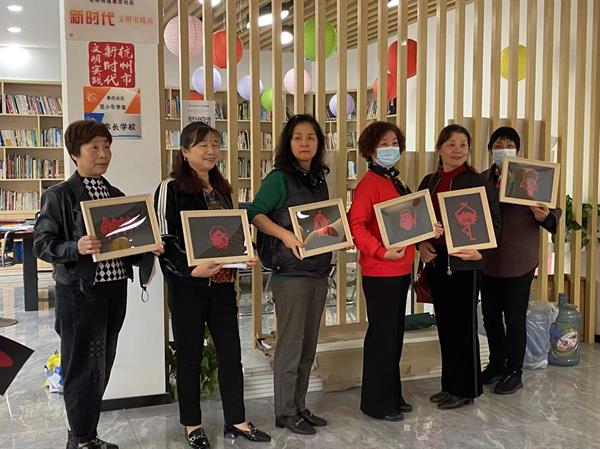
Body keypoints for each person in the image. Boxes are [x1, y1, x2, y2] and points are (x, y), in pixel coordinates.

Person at [33, 120, 161, 449]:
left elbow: (126, 246)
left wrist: (148, 245)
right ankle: (82, 439)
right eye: (94, 148)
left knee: (102, 365)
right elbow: (42, 244)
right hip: (80, 294)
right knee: (81, 367)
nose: (103, 154)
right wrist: (75, 247)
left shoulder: (116, 195)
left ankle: (83, 434)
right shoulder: (59, 195)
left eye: (107, 147)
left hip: (113, 291)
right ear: (75, 153)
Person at [154, 122, 270, 449]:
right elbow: (163, 241)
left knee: (231, 354)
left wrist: (247, 251)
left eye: (215, 144)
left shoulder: (221, 189)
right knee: (189, 356)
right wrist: (190, 270)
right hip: (188, 287)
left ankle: (237, 420)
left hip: (222, 285)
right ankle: (192, 424)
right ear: (185, 151)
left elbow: (231, 234)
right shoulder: (170, 188)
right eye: (202, 144)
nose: (210, 151)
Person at [348, 121, 443, 421]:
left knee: (394, 336)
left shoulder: (394, 181)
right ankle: (376, 403)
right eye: (383, 144)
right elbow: (355, 226)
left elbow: (408, 224)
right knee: (382, 337)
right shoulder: (368, 185)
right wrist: (380, 250)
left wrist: (428, 229)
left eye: (394, 143)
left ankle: (392, 394)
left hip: (401, 269)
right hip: (380, 271)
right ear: (370, 150)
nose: (391, 149)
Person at [248, 114, 330, 435]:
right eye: (298, 137)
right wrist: (284, 234)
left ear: (319, 143)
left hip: (318, 270)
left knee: (308, 347)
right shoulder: (279, 178)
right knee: (290, 347)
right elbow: (255, 213)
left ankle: (299, 406)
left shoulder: (318, 178)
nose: (305, 143)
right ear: (288, 143)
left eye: (311, 137)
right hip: (291, 274)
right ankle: (284, 412)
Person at [417, 124, 501, 410]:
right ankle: (449, 385)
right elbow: (417, 221)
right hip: (437, 261)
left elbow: (495, 223)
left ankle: (466, 389)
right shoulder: (429, 181)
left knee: (463, 327)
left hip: (465, 262)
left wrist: (481, 251)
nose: (457, 150)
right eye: (451, 144)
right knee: (446, 326)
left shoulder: (476, 181)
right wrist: (421, 245)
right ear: (439, 148)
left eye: (463, 145)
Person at [481, 126, 561, 394]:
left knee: (515, 319)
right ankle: (496, 364)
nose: (503, 149)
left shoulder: (532, 178)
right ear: (490, 150)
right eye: (498, 145)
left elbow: (554, 213)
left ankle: (514, 371)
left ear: (518, 150)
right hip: (487, 260)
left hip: (520, 260)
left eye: (509, 144)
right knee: (491, 316)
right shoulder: (480, 180)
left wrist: (545, 216)